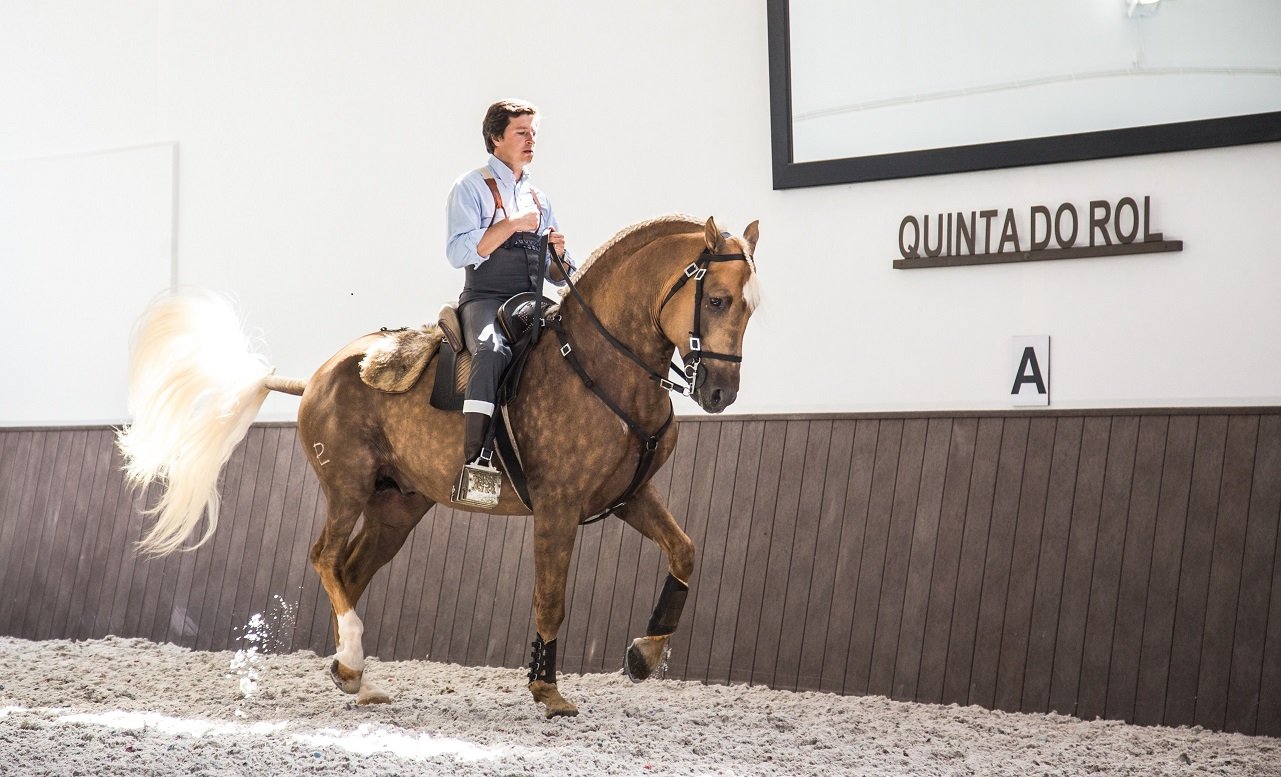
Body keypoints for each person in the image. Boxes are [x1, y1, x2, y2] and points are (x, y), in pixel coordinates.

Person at [445, 99, 574, 480]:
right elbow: (457, 252)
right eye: (521, 132)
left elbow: (553, 274)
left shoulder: (540, 197)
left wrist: (558, 255)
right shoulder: (469, 187)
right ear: (496, 137)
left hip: (532, 300)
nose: (530, 140)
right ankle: (476, 463)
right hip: (485, 298)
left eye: (533, 133)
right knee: (491, 349)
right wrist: (514, 224)